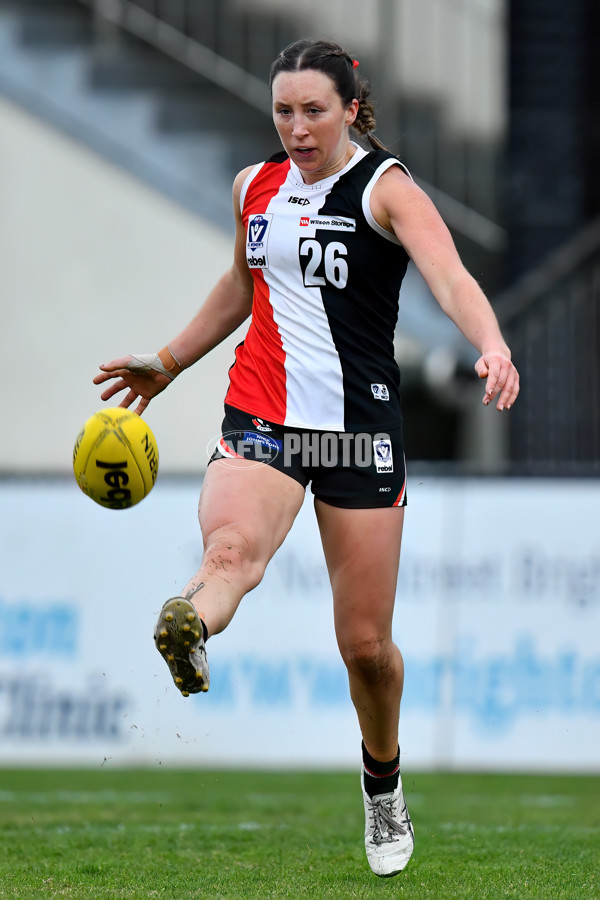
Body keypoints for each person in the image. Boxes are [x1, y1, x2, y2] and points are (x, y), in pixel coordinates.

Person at [93, 38, 520, 877]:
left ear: (352, 108)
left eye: (313, 110)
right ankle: (189, 622)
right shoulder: (255, 187)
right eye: (283, 111)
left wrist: (493, 343)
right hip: (262, 418)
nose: (296, 127)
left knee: (366, 646)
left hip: (358, 431)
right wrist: (170, 361)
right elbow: (244, 282)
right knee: (228, 554)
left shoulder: (386, 188)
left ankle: (383, 783)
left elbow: (451, 277)